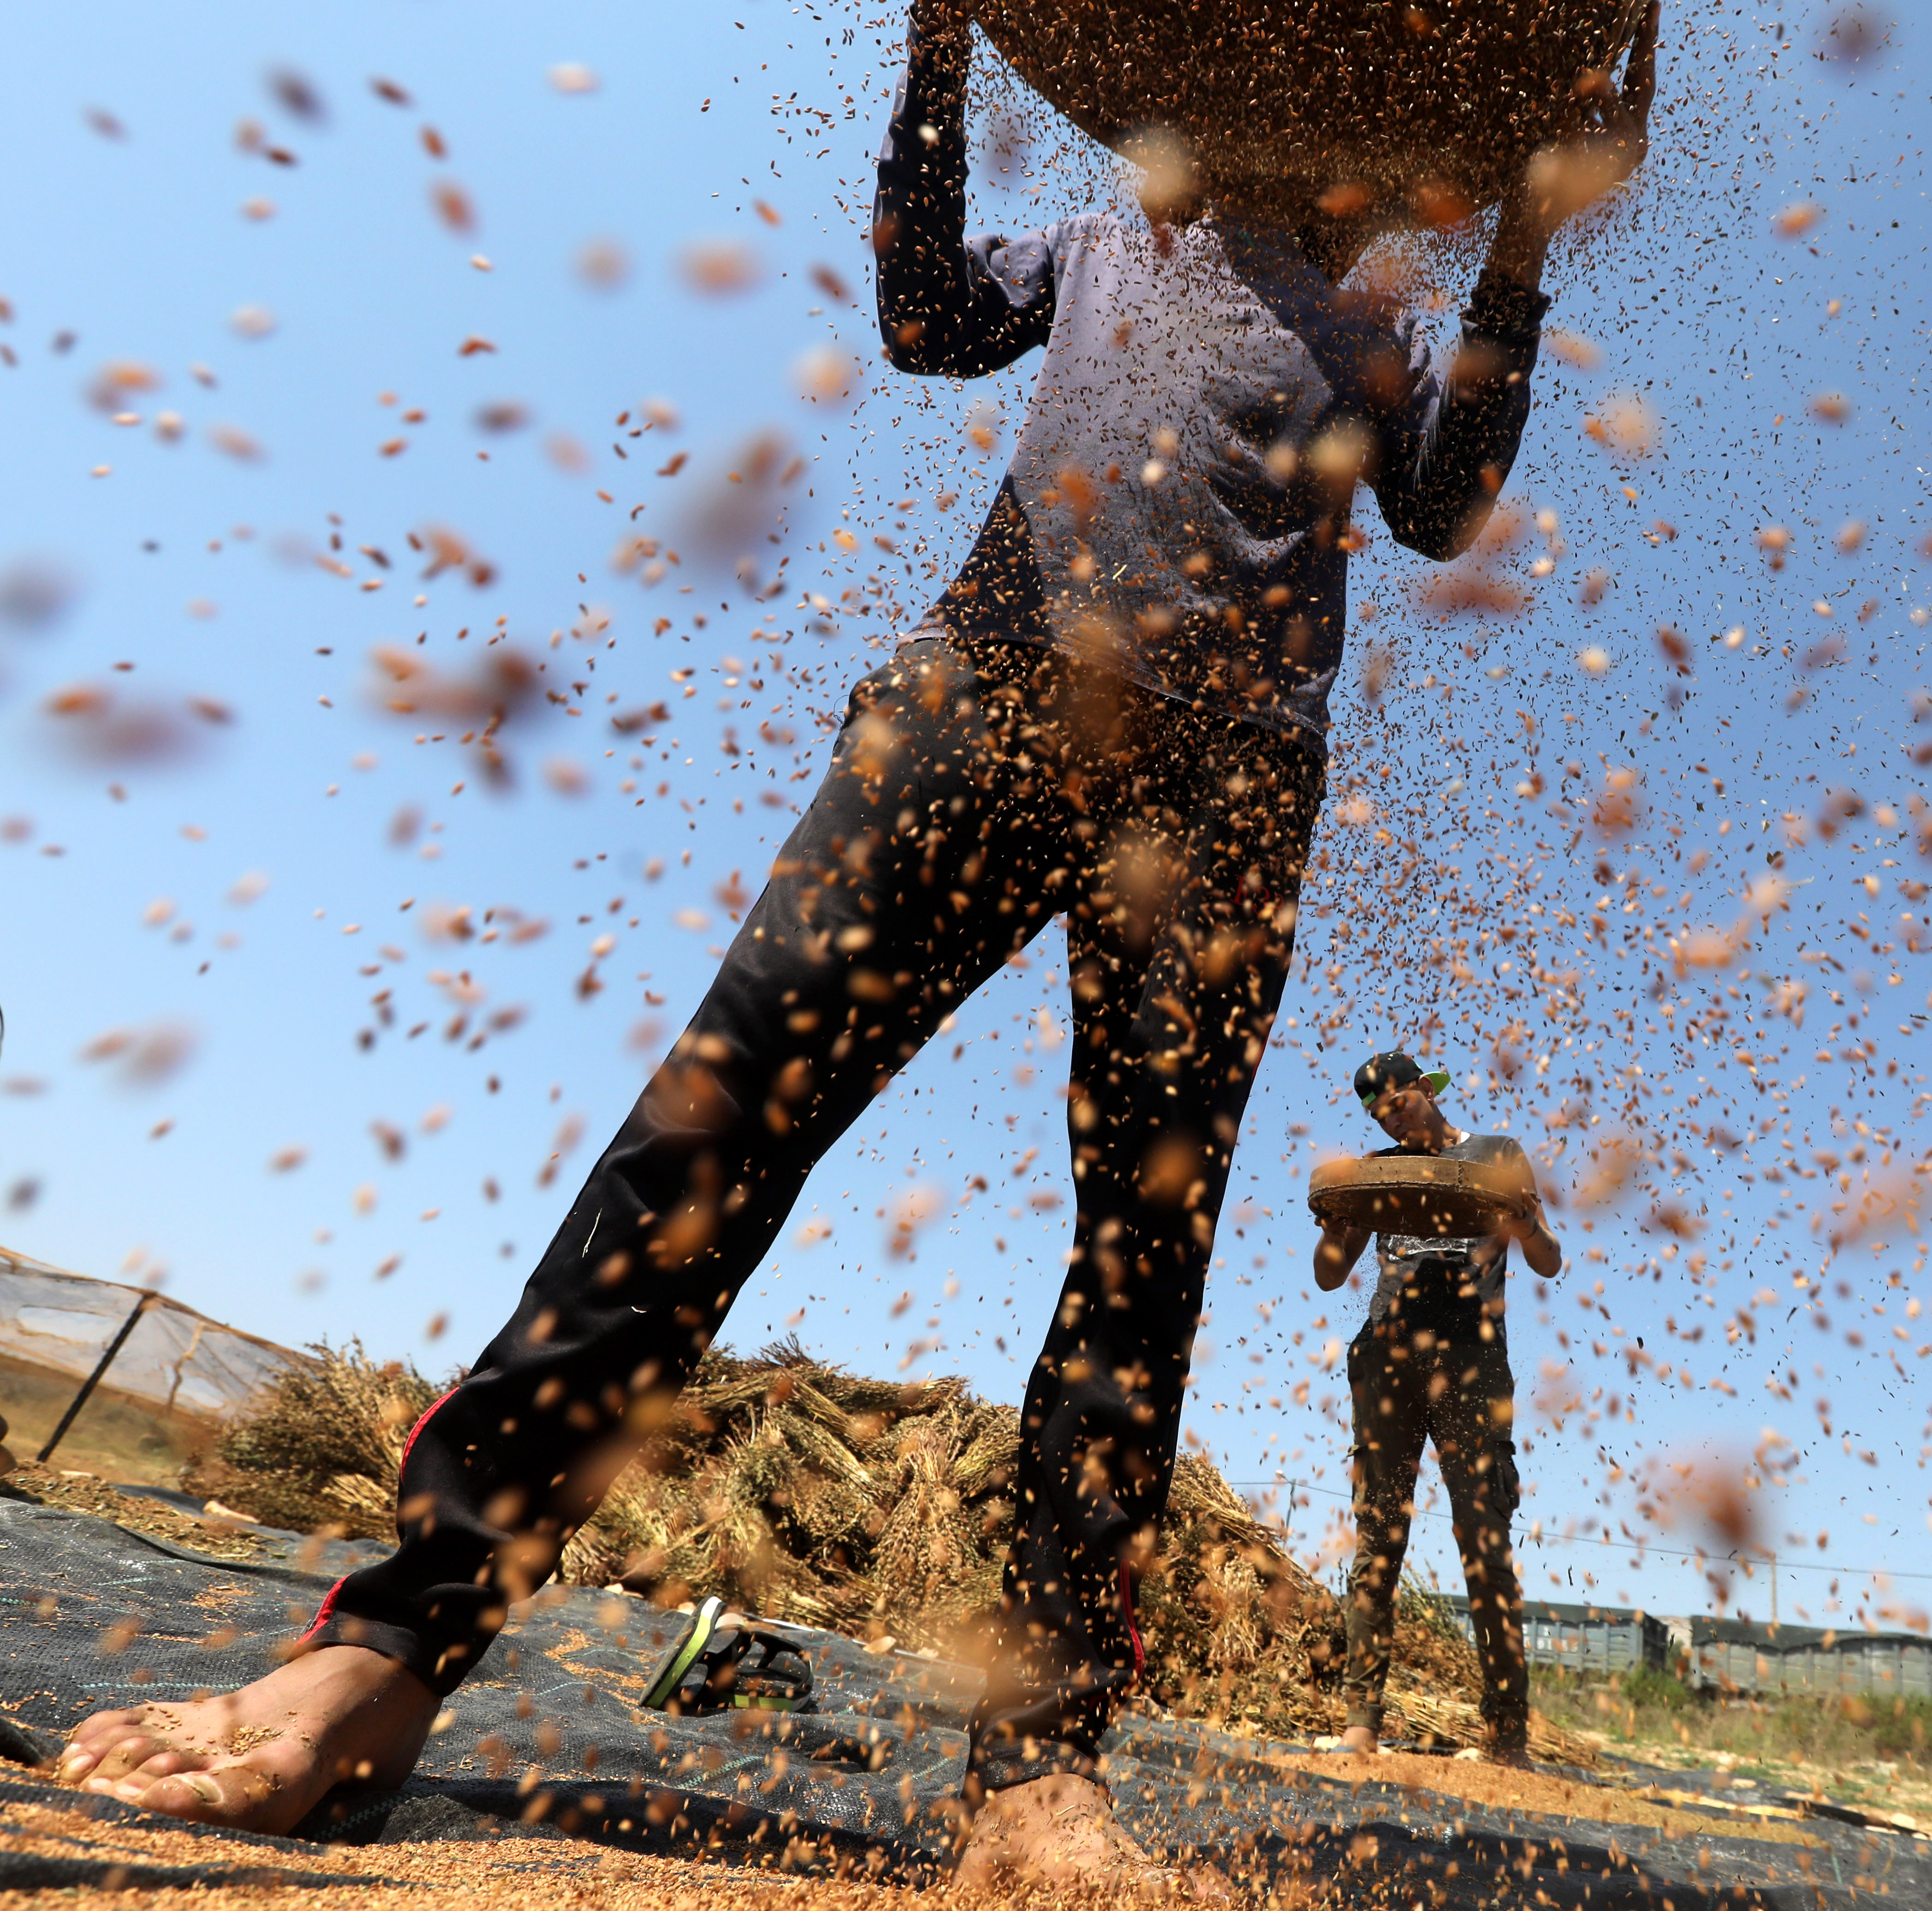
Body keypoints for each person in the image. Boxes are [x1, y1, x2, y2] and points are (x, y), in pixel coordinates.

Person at [55, 0, 1662, 1886]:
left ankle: (1039, 1768)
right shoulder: (1101, 237)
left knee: (1138, 1259)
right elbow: (918, 317)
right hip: (978, 705)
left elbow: (1448, 504)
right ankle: (394, 1646)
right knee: (708, 1136)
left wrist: (1532, 249)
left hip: (1227, 797)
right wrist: (939, 56)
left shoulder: (1380, 327)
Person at [1312, 1050, 1560, 1765]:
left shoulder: (1497, 1154)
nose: (1393, 1113)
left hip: (1474, 1365)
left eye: (1401, 1098)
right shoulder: (1377, 1169)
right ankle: (1362, 1723)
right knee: (1379, 1538)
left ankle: (1506, 1736)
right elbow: (1331, 1276)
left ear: (1427, 1088)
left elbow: (1547, 1258)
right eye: (1379, 1109)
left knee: (1485, 1545)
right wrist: (1334, 1228)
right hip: (1388, 1360)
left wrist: (1529, 1224)